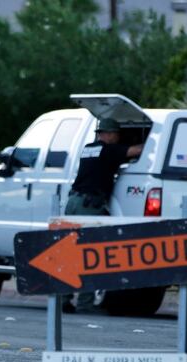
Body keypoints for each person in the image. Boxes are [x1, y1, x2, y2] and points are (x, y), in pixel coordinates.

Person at [60, 117, 143, 313]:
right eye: (115, 134)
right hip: (88, 205)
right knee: (89, 254)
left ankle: (64, 299)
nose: (117, 138)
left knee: (69, 252)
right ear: (109, 134)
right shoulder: (109, 150)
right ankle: (85, 304)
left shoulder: (89, 148)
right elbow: (135, 151)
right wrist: (150, 141)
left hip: (73, 202)